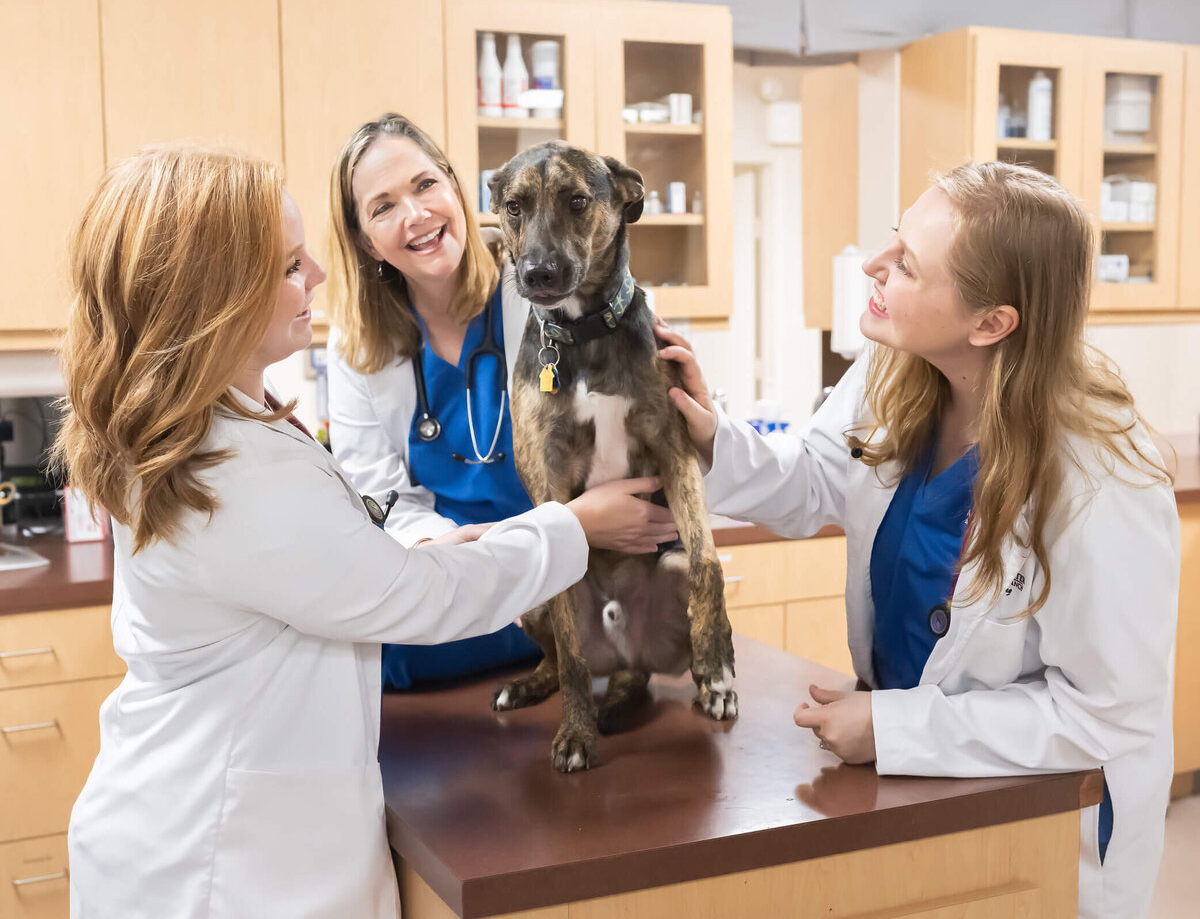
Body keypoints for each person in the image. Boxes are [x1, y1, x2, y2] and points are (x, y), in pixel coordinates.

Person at [55, 145, 671, 918]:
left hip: (204, 823)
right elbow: (412, 601)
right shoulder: (232, 469)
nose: (315, 275)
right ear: (209, 301)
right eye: (287, 267)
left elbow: (333, 557)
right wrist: (574, 526)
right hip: (221, 864)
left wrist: (433, 546)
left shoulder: (217, 426)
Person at [657, 162, 1179, 919]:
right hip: (915, 786)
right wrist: (709, 437)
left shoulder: (1101, 474)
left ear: (991, 322)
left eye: (905, 263)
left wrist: (897, 724)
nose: (873, 264)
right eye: (892, 240)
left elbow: (1105, 712)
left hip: (1042, 827)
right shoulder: (895, 370)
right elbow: (813, 481)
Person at [326, 113, 675, 690]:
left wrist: (559, 539)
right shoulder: (356, 346)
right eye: (382, 207)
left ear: (459, 191)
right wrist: (554, 531)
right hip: (452, 598)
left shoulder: (556, 290)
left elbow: (640, 450)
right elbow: (381, 504)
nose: (415, 215)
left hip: (578, 588)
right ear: (366, 239)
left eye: (424, 185)